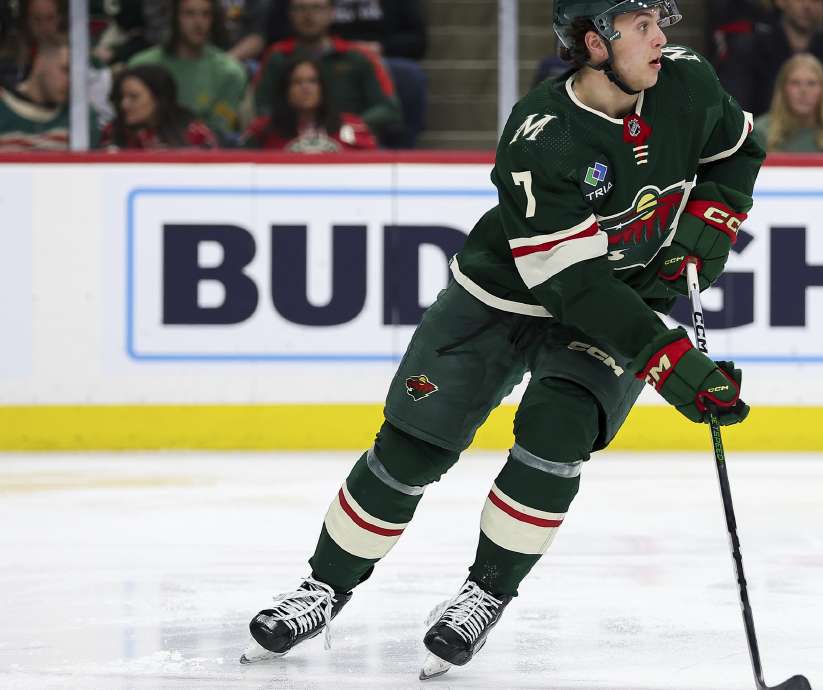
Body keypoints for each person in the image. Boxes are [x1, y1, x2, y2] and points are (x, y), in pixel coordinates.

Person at [240, 0, 761, 681]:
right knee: (411, 447)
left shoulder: (685, 82)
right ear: (594, 44)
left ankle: (485, 592)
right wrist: (665, 358)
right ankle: (324, 587)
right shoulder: (543, 136)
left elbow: (737, 149)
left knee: (557, 434)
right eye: (640, 27)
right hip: (500, 299)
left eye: (658, 22)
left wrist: (714, 219)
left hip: (618, 304)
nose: (662, 38)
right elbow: (575, 286)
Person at [253, 0, 402, 144]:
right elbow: (261, 105)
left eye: (317, 7)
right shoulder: (277, 56)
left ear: (332, 13)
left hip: (350, 142)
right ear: (289, 14)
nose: (308, 15)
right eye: (300, 8)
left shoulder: (358, 57)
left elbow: (387, 108)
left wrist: (350, 126)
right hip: (287, 141)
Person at [718, 0, 823, 120]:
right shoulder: (748, 53)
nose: (807, 6)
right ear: (781, 2)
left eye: (816, 1)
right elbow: (734, 111)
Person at [127, 0, 247, 137]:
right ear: (174, 17)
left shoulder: (230, 73)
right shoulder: (141, 66)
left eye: (206, 14)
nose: (198, 23)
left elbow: (220, 133)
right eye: (189, 14)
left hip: (204, 154)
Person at [241, 55, 376, 150]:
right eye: (297, 82)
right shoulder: (262, 130)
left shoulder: (352, 128)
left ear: (323, 88)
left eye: (313, 81)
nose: (306, 88)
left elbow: (373, 169)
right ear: (285, 90)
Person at [753, 53, 823, 151]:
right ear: (783, 89)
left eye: (811, 83)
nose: (804, 91)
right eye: (795, 83)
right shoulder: (760, 133)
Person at [0, 40, 96, 149]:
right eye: (66, 69)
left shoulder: (81, 117)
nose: (72, 81)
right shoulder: (2, 106)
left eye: (78, 74)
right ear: (39, 61)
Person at [101, 64, 218, 149]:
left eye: (133, 97)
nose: (124, 104)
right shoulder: (113, 132)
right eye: (122, 97)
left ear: (158, 99)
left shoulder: (193, 132)